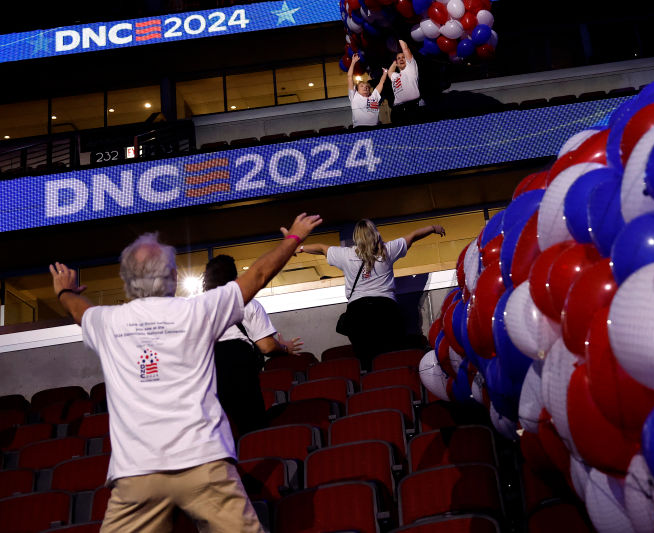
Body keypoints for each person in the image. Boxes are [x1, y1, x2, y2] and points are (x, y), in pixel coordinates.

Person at [50, 212, 323, 533]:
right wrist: (293, 238)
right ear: (172, 276)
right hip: (204, 464)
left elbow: (77, 310)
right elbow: (259, 274)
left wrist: (64, 291)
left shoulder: (106, 321)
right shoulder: (199, 310)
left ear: (126, 281)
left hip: (137, 473)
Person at [297, 220, 444, 369]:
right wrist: (433, 228)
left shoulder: (345, 255)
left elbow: (321, 248)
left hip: (358, 313)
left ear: (356, 237)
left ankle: (371, 383)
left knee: (366, 360)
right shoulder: (388, 250)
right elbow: (412, 236)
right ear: (375, 233)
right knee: (391, 357)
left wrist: (300, 248)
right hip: (386, 310)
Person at [202, 254, 303, 437]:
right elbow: (266, 346)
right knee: (252, 428)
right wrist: (285, 348)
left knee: (221, 433)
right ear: (235, 278)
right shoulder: (247, 303)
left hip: (208, 371)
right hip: (240, 367)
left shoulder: (197, 308)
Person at [347, 53, 388, 128]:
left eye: (367, 87)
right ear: (357, 90)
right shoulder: (354, 96)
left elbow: (381, 82)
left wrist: (385, 73)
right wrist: (353, 62)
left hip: (375, 129)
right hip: (360, 129)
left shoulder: (374, 97)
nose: (365, 87)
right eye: (362, 86)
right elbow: (349, 77)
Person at [387, 39, 421, 124]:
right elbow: (389, 72)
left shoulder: (411, 67)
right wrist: (395, 62)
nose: (401, 59)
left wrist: (398, 37)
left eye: (403, 57)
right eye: (399, 58)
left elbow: (405, 49)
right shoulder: (395, 75)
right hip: (397, 111)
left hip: (412, 108)